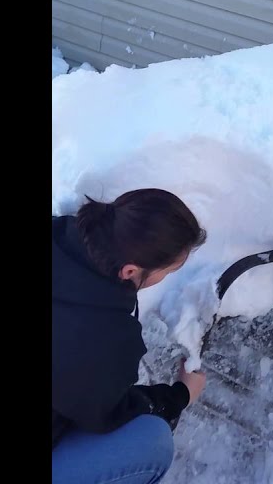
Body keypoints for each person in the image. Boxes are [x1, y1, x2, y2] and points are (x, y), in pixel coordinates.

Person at [52, 188, 209, 484]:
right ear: (130, 271)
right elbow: (107, 413)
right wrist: (179, 396)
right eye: (168, 271)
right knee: (151, 441)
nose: (166, 278)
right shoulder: (102, 340)